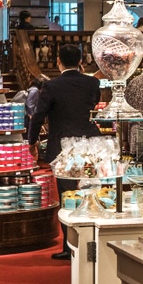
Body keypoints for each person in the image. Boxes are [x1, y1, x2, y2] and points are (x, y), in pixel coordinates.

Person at [28, 44, 102, 260]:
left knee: (67, 194)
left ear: (58, 61)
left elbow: (38, 115)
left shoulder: (51, 86)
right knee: (92, 190)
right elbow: (94, 104)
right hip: (90, 142)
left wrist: (32, 141)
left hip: (62, 146)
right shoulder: (92, 82)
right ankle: (94, 239)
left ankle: (70, 246)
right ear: (80, 61)